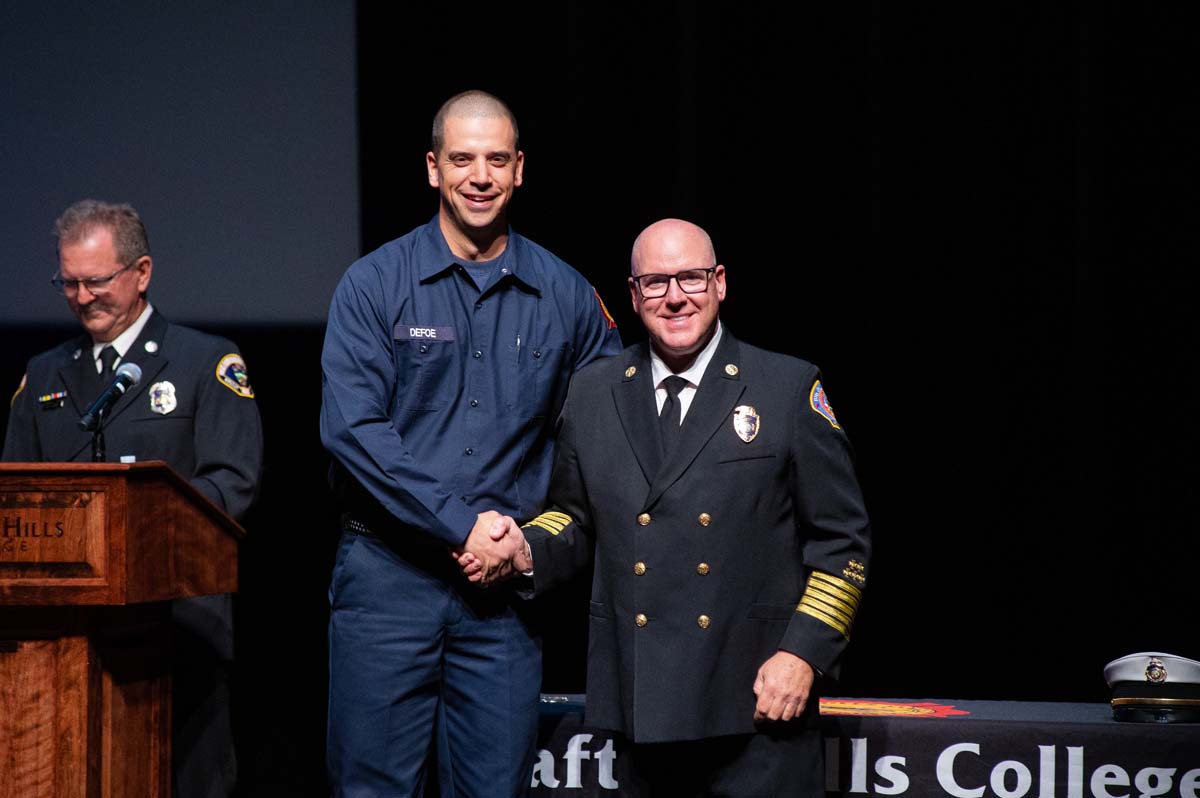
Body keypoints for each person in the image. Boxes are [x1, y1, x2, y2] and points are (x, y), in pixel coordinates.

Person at [460, 218, 872, 796]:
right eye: (656, 282)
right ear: (634, 296)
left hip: (759, 704)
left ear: (720, 283)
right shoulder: (594, 392)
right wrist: (525, 548)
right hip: (644, 709)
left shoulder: (785, 387)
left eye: (691, 278)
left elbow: (842, 542)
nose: (675, 297)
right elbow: (574, 515)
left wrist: (802, 655)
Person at [318, 89, 623, 797]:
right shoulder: (373, 285)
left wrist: (530, 547)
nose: (479, 176)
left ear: (519, 169)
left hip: (502, 598)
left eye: (495, 160)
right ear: (433, 168)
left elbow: (600, 444)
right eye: (461, 159)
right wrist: (460, 525)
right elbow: (354, 432)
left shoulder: (569, 296)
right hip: (388, 579)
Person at [2, 199, 264, 798]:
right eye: (68, 283)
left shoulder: (204, 362)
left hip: (179, 631)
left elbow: (232, 484)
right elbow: (14, 497)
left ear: (141, 272)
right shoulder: (44, 375)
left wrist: (132, 531)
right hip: (64, 642)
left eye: (96, 281)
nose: (82, 297)